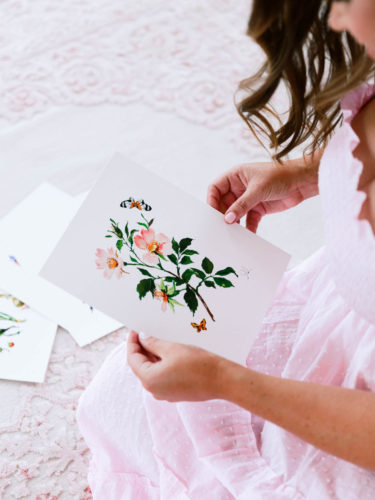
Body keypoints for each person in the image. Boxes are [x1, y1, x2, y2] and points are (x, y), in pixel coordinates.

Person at [76, 1, 375, 498]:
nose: (336, 21)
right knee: (125, 394)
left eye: (346, 2)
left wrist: (227, 382)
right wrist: (308, 172)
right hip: (341, 318)